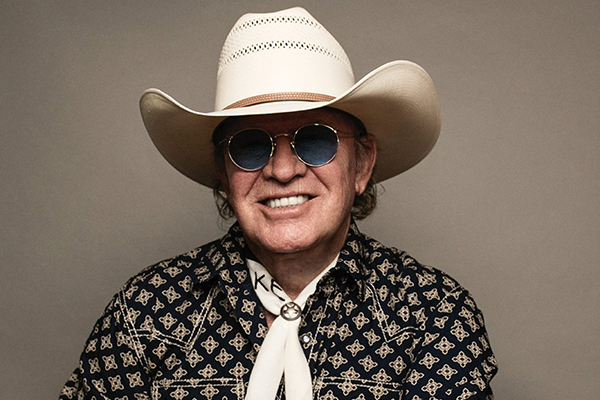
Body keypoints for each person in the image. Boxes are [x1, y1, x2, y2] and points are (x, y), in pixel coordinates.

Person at [60, 7, 497, 400]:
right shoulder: (145, 312)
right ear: (223, 174)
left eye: (316, 140)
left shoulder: (434, 315)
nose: (283, 171)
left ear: (362, 164)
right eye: (250, 146)